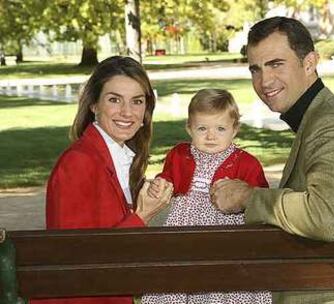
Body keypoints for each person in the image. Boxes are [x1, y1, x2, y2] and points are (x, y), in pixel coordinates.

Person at [210, 17, 334, 303]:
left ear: (309, 63)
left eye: (276, 64)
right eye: (255, 69)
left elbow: (326, 218)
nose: (264, 81)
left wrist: (249, 197)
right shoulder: (316, 119)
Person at [31, 56, 172, 304]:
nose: (127, 112)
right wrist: (142, 216)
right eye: (114, 99)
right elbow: (77, 256)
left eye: (137, 101)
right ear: (94, 105)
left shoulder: (113, 157)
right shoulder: (78, 163)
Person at [141, 88, 271, 304]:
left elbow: (260, 198)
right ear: (189, 128)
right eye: (202, 128)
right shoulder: (179, 154)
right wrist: (161, 184)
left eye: (221, 128)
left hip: (225, 233)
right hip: (183, 229)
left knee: (219, 281)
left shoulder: (246, 162)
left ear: (235, 129)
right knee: (179, 276)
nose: (211, 136)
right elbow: (167, 178)